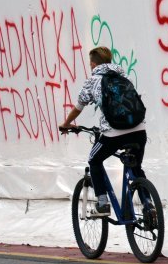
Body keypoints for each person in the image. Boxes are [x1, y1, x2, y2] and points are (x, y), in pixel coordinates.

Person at [59, 46, 147, 215]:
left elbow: (78, 107)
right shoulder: (123, 75)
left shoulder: (93, 81)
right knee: (136, 167)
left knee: (94, 160)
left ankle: (102, 202)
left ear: (93, 64)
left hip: (114, 132)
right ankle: (149, 204)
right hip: (139, 129)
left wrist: (67, 123)